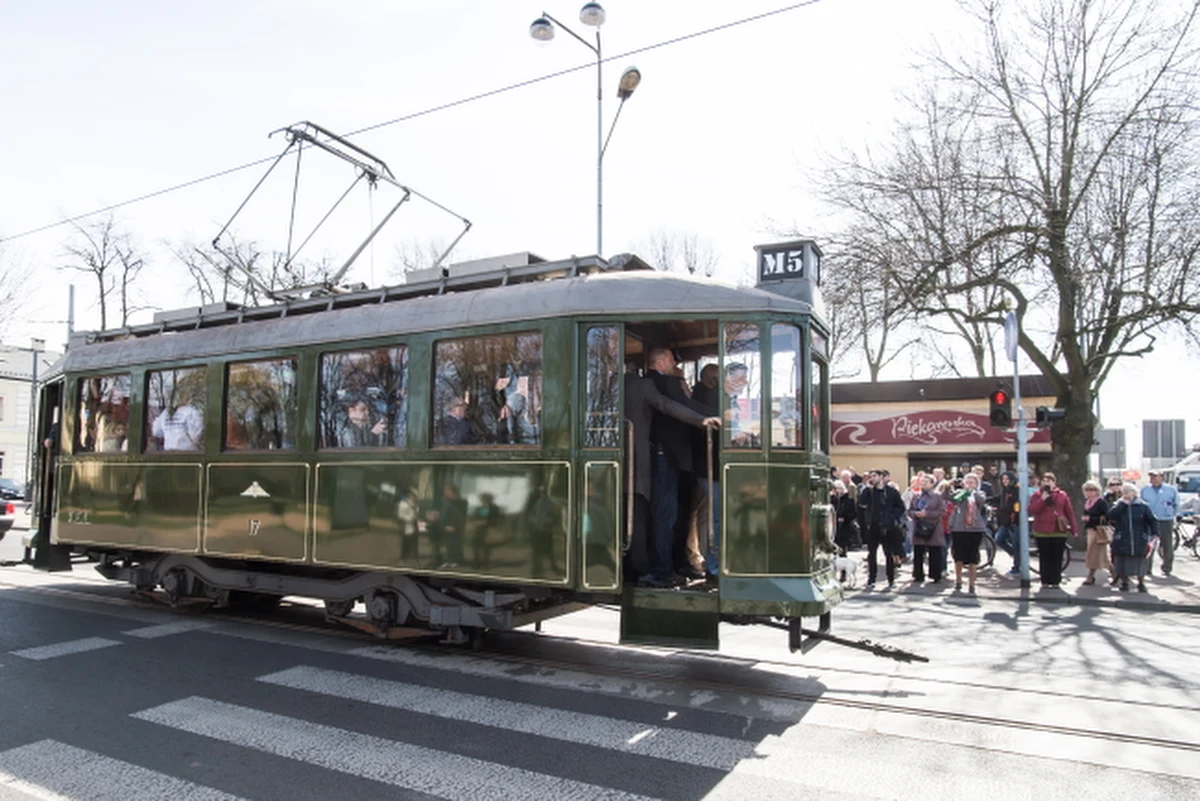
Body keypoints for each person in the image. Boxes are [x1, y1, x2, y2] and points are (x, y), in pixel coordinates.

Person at [625, 358, 719, 586]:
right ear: (660, 360)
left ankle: (641, 569)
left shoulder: (613, 386)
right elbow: (668, 405)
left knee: (641, 515)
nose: (675, 362)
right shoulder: (648, 385)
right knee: (662, 515)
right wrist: (702, 420)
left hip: (621, 459)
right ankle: (659, 570)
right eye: (670, 358)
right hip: (650, 458)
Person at [856, 469, 906, 588]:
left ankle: (891, 580)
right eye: (870, 476)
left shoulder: (891, 492)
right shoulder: (869, 491)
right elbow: (861, 504)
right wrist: (866, 489)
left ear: (882, 477)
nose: (872, 478)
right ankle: (871, 579)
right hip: (873, 526)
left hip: (887, 527)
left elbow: (901, 507)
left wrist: (891, 517)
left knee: (888, 554)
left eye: (874, 476)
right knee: (872, 554)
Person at [1028, 472, 1077, 588]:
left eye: (1049, 480)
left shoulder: (1062, 495)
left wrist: (1074, 528)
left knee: (1057, 556)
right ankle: (1045, 580)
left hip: (1058, 529)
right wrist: (1042, 499)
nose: (1047, 483)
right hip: (1041, 530)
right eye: (1044, 481)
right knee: (1044, 556)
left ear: (1054, 483)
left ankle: (1055, 581)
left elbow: (1069, 512)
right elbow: (1033, 510)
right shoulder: (1037, 495)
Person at [1108, 482, 1157, 592]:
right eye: (1123, 492)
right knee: (1122, 561)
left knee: (1140, 561)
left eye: (1128, 491)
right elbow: (1110, 516)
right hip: (1122, 538)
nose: (1126, 494)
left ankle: (1141, 583)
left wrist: (1155, 533)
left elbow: (1152, 520)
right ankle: (1124, 582)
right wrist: (1122, 505)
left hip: (1139, 538)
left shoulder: (1143, 506)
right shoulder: (1118, 505)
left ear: (1134, 493)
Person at [944, 473, 989, 594]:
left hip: (975, 528)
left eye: (972, 482)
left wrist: (972, 492)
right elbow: (949, 497)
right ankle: (958, 580)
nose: (969, 484)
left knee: (973, 556)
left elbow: (981, 500)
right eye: (967, 481)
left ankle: (972, 583)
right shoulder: (959, 493)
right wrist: (949, 485)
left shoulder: (979, 493)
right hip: (959, 528)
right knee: (958, 555)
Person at [908, 475, 946, 584]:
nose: (923, 483)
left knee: (934, 551)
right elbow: (909, 510)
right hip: (919, 526)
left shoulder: (937, 496)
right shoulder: (916, 496)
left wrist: (927, 514)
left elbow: (942, 512)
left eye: (926, 481)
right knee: (918, 551)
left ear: (932, 483)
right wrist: (915, 514)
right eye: (922, 481)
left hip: (933, 527)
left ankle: (935, 575)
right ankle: (918, 575)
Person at [1140, 469, 1178, 577]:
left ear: (1162, 477)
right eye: (1151, 477)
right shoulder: (1145, 490)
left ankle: (1167, 568)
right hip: (1149, 520)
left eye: (1155, 476)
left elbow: (1176, 504)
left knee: (1167, 544)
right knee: (1149, 544)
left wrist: (1172, 514)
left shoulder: (1170, 489)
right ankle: (1147, 568)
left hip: (1165, 519)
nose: (1153, 479)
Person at [1080, 480, 1112, 586]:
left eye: (1092, 489)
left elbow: (1107, 516)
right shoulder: (1087, 502)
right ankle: (1115, 572)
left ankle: (1090, 576)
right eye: (1087, 490)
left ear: (1097, 491)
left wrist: (1091, 518)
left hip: (1098, 530)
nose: (1089, 492)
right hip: (1090, 530)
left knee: (1092, 553)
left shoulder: (1101, 502)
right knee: (1101, 555)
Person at [991, 471, 1023, 576]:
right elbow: (998, 499)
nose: (1005, 481)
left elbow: (1015, 506)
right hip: (1006, 522)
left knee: (1016, 544)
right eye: (1003, 479)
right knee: (999, 540)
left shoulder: (1017, 490)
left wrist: (1012, 515)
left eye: (1007, 479)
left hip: (1014, 522)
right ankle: (1015, 555)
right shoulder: (1005, 490)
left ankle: (1017, 567)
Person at [831, 480, 858, 555]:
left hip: (844, 526)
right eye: (835, 489)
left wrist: (845, 518)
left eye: (838, 488)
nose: (837, 491)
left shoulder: (849, 499)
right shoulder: (832, 499)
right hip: (834, 525)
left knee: (842, 547)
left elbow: (853, 513)